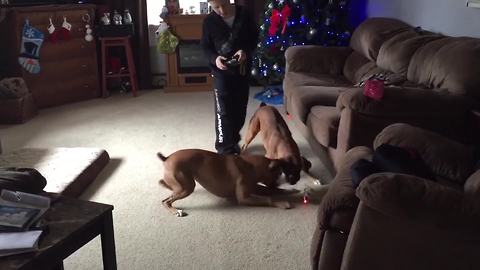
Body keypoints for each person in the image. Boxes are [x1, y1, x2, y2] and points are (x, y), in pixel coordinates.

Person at [201, 0, 259, 154]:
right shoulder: (209, 22)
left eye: (224, 5)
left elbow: (254, 38)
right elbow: (205, 47)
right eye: (216, 7)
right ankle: (224, 148)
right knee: (223, 110)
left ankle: (233, 140)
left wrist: (245, 51)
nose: (221, 10)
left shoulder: (244, 15)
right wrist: (215, 59)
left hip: (241, 69)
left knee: (240, 108)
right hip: (220, 72)